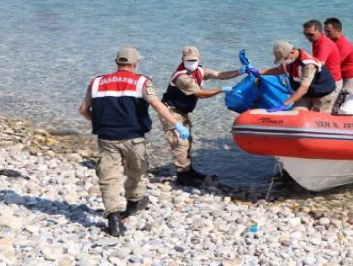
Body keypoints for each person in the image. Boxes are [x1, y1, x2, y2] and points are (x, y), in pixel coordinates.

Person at [79, 47, 190, 237]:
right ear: (135, 64)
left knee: (109, 179)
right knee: (137, 172)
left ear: (116, 63)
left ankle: (113, 218)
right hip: (134, 138)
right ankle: (134, 202)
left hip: (107, 138)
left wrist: (98, 121)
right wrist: (177, 125)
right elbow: (157, 105)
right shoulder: (142, 82)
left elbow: (83, 110)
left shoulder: (96, 83)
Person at [161, 46, 246, 187]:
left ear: (198, 59)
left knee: (188, 140)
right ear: (182, 60)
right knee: (180, 142)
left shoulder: (200, 70)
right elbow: (200, 94)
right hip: (171, 112)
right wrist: (221, 90)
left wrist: (240, 71)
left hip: (182, 111)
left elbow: (219, 74)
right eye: (188, 60)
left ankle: (189, 170)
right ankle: (182, 175)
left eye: (194, 60)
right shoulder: (181, 77)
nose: (191, 62)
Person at [252, 41, 336, 113]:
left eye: (285, 58)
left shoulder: (308, 65)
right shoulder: (289, 59)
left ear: (292, 52)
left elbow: (303, 89)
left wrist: (284, 104)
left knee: (319, 117)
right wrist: (259, 72)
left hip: (322, 92)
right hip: (305, 93)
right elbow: (279, 70)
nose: (284, 61)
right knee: (297, 112)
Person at [323, 17, 353, 94]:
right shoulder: (330, 42)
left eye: (328, 31)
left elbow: (333, 63)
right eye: (325, 31)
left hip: (351, 79)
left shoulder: (344, 45)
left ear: (339, 31)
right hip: (339, 77)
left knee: (341, 101)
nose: (326, 34)